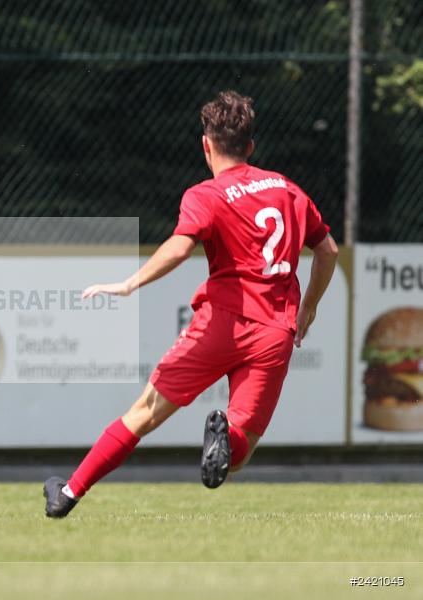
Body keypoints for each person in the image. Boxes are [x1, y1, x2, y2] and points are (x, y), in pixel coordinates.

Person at [44, 90, 339, 518]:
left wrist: (129, 283)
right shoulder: (287, 189)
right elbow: (327, 250)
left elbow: (181, 247)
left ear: (206, 145)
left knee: (144, 413)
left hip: (220, 324)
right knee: (240, 450)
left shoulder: (207, 194)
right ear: (250, 146)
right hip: (275, 331)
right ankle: (224, 440)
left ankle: (68, 493)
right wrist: (309, 305)